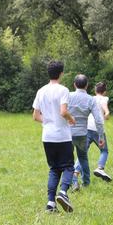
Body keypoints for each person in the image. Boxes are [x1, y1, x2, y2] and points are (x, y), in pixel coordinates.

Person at [32, 60, 76, 213]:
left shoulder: (41, 91)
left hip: (47, 136)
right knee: (69, 166)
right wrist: (71, 119)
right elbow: (63, 112)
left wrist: (48, 121)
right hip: (62, 136)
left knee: (54, 168)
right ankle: (63, 193)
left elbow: (35, 116)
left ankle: (51, 203)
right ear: (61, 73)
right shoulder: (63, 90)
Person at [68, 76, 105, 191]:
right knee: (83, 157)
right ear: (87, 85)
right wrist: (101, 136)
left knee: (68, 159)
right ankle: (86, 182)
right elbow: (98, 120)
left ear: (74, 84)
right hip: (82, 134)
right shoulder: (90, 99)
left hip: (68, 134)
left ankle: (73, 182)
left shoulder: (68, 96)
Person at [73, 82, 112, 187]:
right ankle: (100, 168)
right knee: (104, 150)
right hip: (97, 128)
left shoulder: (91, 98)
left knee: (82, 153)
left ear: (95, 90)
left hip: (86, 127)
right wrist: (107, 113)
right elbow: (105, 109)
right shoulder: (104, 98)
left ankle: (75, 174)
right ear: (104, 92)